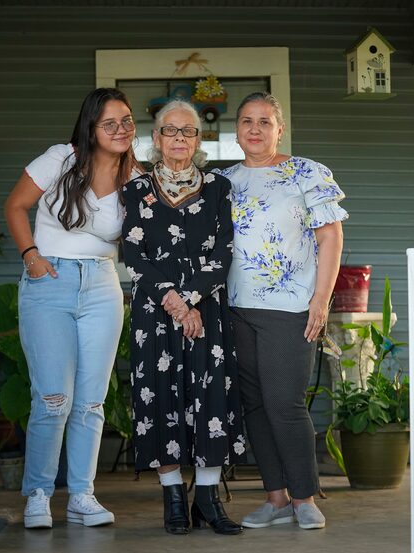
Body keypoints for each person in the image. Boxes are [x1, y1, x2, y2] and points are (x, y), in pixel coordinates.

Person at [3, 88, 141, 529]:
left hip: (102, 284)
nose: (121, 130)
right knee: (53, 398)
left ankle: (82, 494)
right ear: (91, 128)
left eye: (127, 121)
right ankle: (39, 495)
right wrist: (32, 257)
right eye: (110, 123)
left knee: (91, 402)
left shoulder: (136, 176)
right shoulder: (61, 159)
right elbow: (16, 205)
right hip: (50, 281)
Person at [219, 92, 346, 530]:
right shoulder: (225, 180)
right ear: (236, 130)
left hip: (290, 306)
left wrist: (320, 300)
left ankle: (304, 497)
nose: (255, 129)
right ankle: (274, 498)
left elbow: (330, 238)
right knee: (254, 404)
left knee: (284, 403)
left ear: (280, 129)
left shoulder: (306, 172)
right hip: (236, 306)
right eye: (247, 121)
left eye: (265, 121)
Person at [121, 100, 246, 536]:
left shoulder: (218, 187)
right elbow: (132, 252)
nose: (178, 138)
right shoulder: (137, 190)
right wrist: (174, 301)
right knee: (158, 396)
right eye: (169, 131)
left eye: (187, 131)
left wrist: (191, 299)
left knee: (210, 395)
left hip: (206, 310)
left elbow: (223, 252)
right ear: (155, 139)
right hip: (155, 313)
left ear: (198, 140)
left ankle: (208, 500)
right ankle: (174, 496)